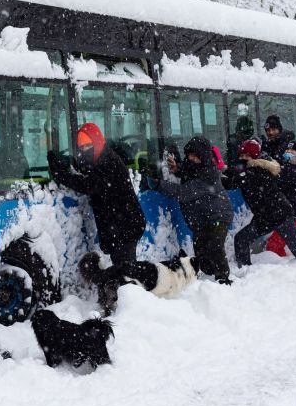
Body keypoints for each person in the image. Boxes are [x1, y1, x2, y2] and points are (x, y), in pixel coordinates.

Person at [49, 123, 165, 311]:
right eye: (81, 148)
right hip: (120, 226)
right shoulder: (100, 160)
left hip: (125, 226)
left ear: (97, 142)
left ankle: (131, 310)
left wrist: (61, 174)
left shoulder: (108, 162)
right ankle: (125, 306)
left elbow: (89, 184)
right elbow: (91, 177)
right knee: (124, 270)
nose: (84, 151)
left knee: (125, 272)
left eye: (88, 146)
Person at [224, 140, 296, 266]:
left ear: (253, 155)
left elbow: (233, 181)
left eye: (245, 155)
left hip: (279, 214)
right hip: (266, 216)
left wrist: (224, 170)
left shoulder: (256, 170)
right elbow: (234, 179)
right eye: (241, 155)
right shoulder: (252, 169)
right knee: (241, 239)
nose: (242, 158)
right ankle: (246, 270)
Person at [153, 136, 234, 285]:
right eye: (189, 155)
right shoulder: (195, 166)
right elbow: (189, 171)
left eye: (194, 155)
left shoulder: (209, 174)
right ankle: (209, 274)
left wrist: (158, 184)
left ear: (202, 156)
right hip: (203, 218)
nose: (190, 158)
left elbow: (183, 192)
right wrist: (177, 168)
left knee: (215, 246)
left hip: (218, 215)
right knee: (201, 250)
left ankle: (223, 278)